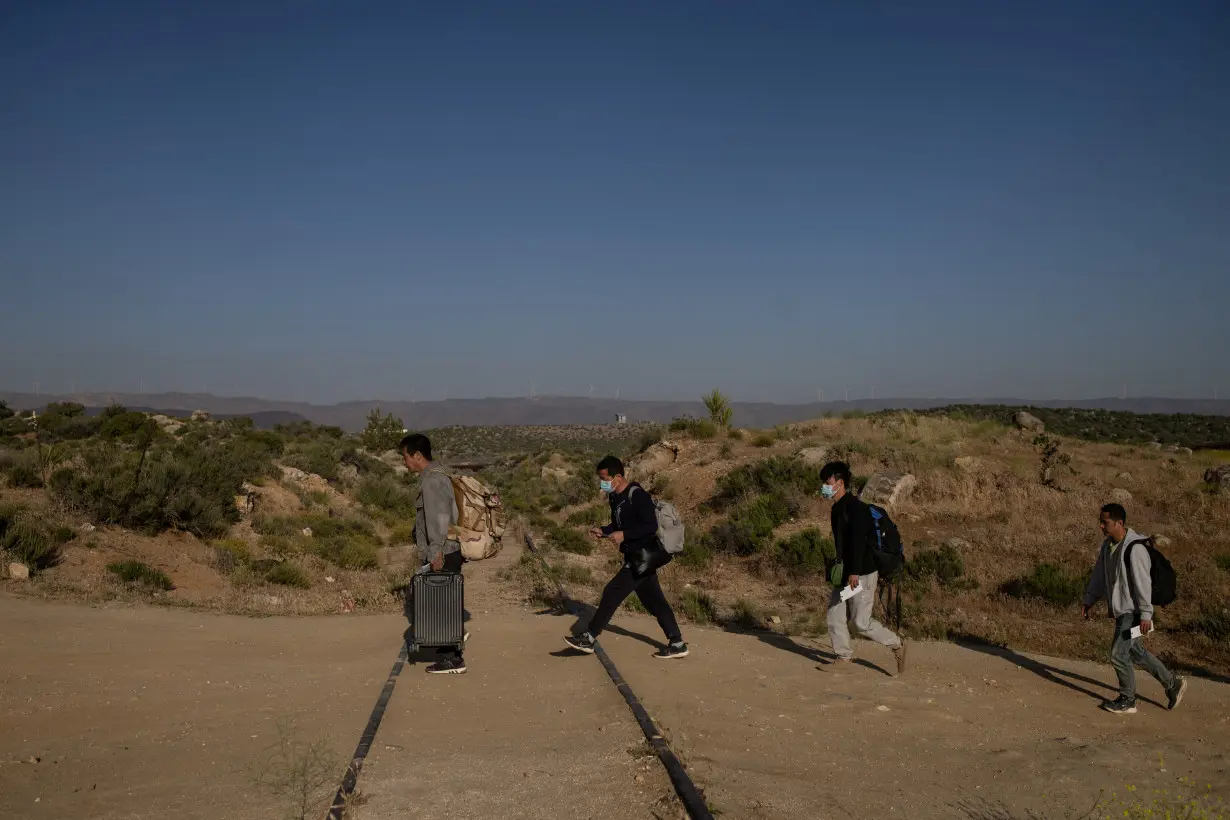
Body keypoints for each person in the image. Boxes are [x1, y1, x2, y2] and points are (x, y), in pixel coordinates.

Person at [564, 455, 689, 659]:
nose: (602, 483)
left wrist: (625, 535)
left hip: (642, 558)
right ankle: (677, 643)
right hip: (635, 556)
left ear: (618, 477)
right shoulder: (614, 497)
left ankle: (589, 637)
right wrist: (604, 531)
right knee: (655, 602)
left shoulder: (637, 495)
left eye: (604, 478)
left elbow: (650, 525)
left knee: (611, 592)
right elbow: (618, 524)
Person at [1082, 503, 1186, 714]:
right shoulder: (1107, 546)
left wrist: (1147, 615)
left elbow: (1143, 584)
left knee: (1118, 654)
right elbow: (1099, 576)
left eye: (1105, 522)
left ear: (1119, 523)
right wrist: (1089, 599)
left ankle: (1128, 699)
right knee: (1135, 651)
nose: (1101, 526)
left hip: (1134, 613)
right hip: (1126, 612)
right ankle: (1173, 684)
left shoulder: (1135, 549)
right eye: (1101, 522)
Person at [819, 461, 907, 674]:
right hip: (847, 575)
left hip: (862, 575)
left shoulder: (856, 509)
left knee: (860, 622)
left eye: (827, 482)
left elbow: (858, 542)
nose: (824, 486)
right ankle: (843, 656)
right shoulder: (837, 509)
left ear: (839, 483)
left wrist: (854, 572)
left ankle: (897, 644)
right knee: (834, 612)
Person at [402, 433, 467, 675]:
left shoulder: (432, 481)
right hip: (447, 547)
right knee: (443, 601)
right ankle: (447, 652)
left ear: (417, 455)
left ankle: (453, 659)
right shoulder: (439, 474)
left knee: (442, 603)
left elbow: (440, 518)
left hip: (443, 549)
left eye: (405, 456)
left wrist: (435, 552)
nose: (404, 462)